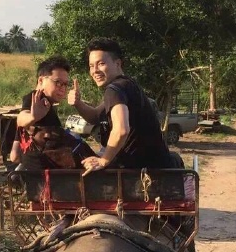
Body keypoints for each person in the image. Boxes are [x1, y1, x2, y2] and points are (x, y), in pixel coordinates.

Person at [68, 38, 173, 174]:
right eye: (91, 66)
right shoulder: (127, 84)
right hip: (156, 166)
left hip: (141, 173)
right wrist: (78, 103)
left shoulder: (114, 89)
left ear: (117, 63)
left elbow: (121, 130)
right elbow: (95, 117)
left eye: (101, 64)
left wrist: (104, 160)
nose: (95, 71)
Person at [9, 56, 95, 169]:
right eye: (58, 82)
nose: (63, 88)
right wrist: (32, 117)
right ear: (41, 80)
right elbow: (21, 118)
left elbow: (14, 156)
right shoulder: (36, 99)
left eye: (65, 84)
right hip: (48, 179)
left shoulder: (45, 107)